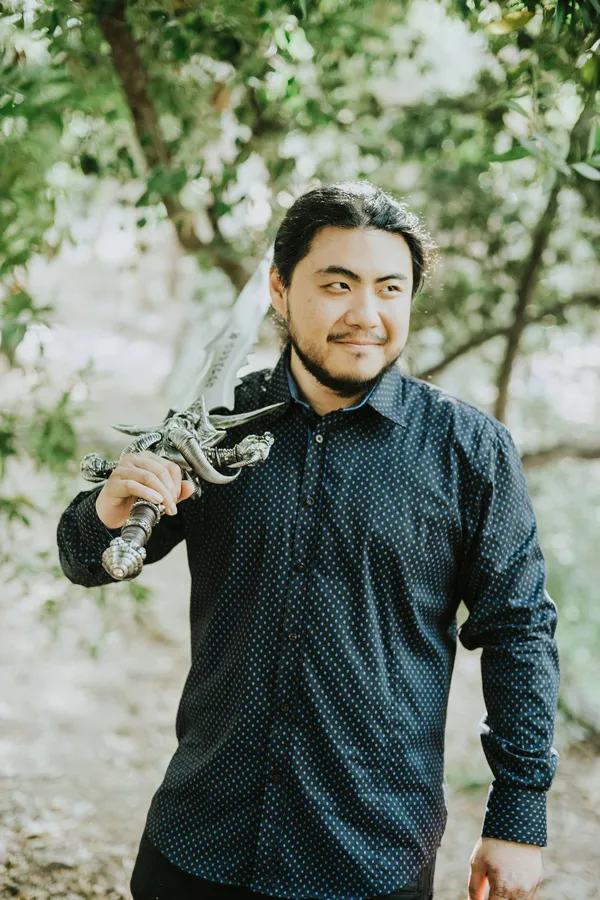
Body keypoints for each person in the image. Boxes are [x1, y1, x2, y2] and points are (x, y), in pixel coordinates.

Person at [56, 181, 559, 900]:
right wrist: (106, 511)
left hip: (369, 855)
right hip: (199, 840)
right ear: (280, 290)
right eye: (337, 285)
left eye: (390, 288)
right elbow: (86, 561)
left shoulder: (468, 451)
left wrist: (518, 816)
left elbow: (519, 630)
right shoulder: (212, 424)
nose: (366, 314)